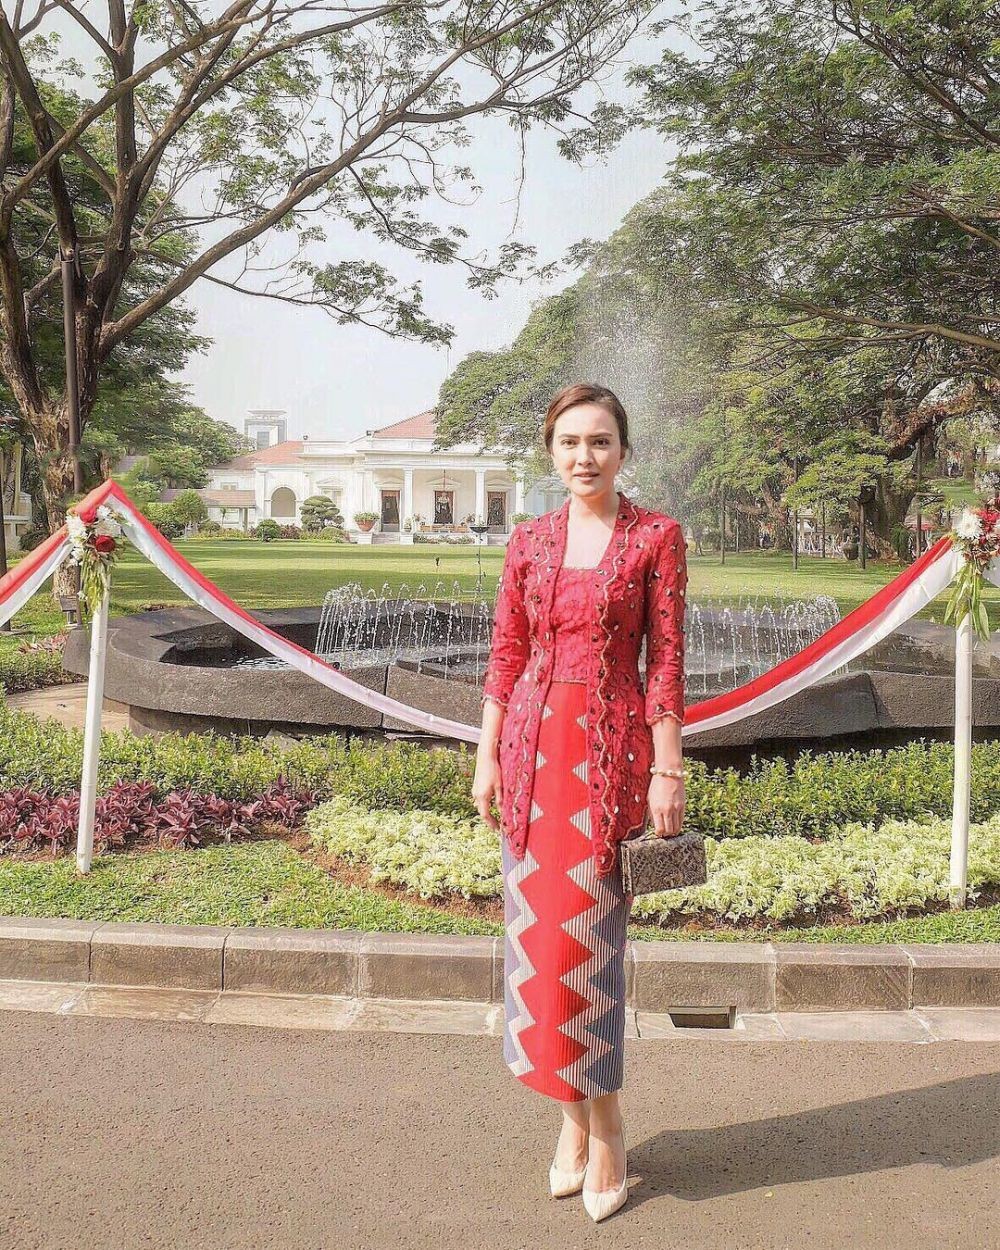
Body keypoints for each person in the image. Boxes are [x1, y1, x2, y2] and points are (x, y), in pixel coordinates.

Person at [472, 383, 688, 1223]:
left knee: (584, 953)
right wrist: (486, 753)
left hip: (607, 768)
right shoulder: (528, 541)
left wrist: (667, 771)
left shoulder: (655, 538)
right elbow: (505, 651)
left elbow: (665, 659)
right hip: (530, 761)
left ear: (624, 450)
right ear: (550, 451)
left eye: (599, 441)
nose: (583, 457)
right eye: (568, 442)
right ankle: (572, 1120)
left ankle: (608, 1129)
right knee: (536, 955)